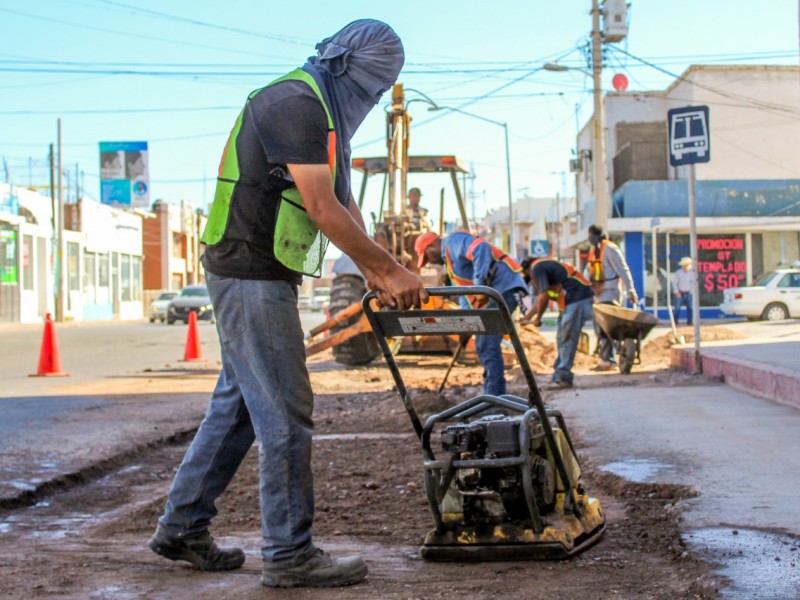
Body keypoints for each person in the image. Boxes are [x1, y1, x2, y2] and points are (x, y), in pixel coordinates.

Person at [148, 20, 427, 590]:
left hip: (259, 271)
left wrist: (378, 265)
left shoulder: (322, 112)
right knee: (284, 413)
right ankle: (288, 552)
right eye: (375, 87)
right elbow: (323, 209)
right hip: (248, 271)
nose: (373, 100)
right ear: (350, 66)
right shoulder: (296, 102)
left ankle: (182, 526)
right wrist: (384, 269)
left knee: (242, 407)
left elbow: (346, 204)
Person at [415, 231, 527, 396]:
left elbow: (480, 248)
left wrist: (479, 286)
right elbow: (465, 296)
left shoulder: (453, 242)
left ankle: (495, 400)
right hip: (500, 290)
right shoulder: (451, 263)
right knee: (485, 344)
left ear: (431, 246)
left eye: (427, 257)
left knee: (487, 344)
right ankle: (493, 395)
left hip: (504, 287)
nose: (430, 262)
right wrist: (465, 326)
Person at [520, 257, 594, 389]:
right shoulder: (543, 267)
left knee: (567, 336)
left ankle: (563, 376)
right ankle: (559, 374)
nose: (533, 283)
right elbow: (540, 298)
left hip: (577, 297)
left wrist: (538, 319)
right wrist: (527, 318)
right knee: (561, 337)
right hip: (570, 300)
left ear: (528, 271)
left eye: (531, 280)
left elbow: (543, 296)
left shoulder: (537, 269)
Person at [585, 224, 638, 370]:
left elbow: (623, 269)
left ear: (598, 236)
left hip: (610, 292)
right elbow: (588, 272)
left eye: (591, 235)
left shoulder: (610, 249)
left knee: (607, 328)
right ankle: (606, 358)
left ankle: (609, 360)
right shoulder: (594, 251)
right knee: (600, 328)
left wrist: (631, 291)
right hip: (598, 294)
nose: (589, 239)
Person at [672, 256, 694, 325]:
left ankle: (689, 322)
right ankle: (675, 322)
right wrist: (677, 292)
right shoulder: (678, 273)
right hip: (680, 293)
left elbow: (693, 283)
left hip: (688, 293)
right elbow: (674, 283)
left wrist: (692, 291)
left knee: (690, 308)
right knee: (677, 308)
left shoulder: (691, 273)